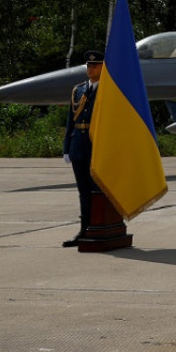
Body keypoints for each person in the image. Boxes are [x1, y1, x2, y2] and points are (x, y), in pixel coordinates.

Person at [62, 50, 103, 247]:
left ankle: (99, 227)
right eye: (88, 65)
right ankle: (84, 229)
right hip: (79, 145)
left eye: (94, 65)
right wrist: (66, 147)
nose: (90, 68)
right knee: (83, 191)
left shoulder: (109, 91)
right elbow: (71, 120)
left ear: (103, 67)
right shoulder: (78, 90)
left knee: (98, 190)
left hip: (98, 146)